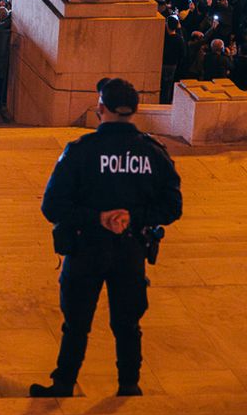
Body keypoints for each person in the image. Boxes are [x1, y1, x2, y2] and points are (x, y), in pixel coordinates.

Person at [31, 78, 182, 398]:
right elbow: (172, 206)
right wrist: (133, 218)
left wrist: (97, 218)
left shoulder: (81, 152)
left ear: (101, 108)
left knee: (76, 324)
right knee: (128, 323)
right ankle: (129, 385)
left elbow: (52, 205)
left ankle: (64, 384)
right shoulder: (153, 153)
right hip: (131, 251)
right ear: (134, 110)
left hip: (86, 249)